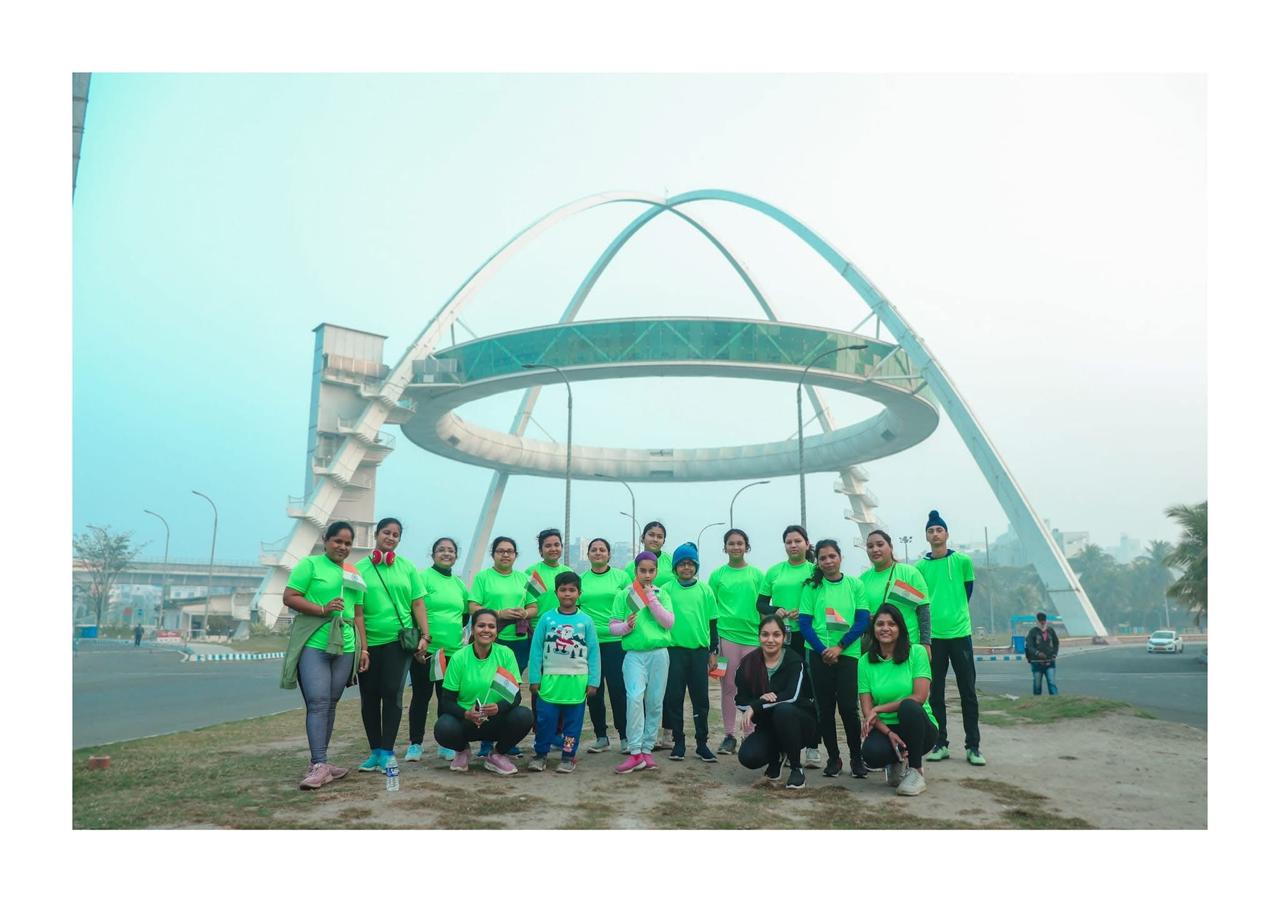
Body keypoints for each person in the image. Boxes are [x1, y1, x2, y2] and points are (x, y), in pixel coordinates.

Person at [280, 521, 367, 790]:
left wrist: (364, 649)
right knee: (317, 702)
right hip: (315, 644)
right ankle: (319, 764)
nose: (343, 547)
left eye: (348, 543)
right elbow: (289, 597)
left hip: (346, 647)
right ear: (325, 540)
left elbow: (358, 614)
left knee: (330, 704)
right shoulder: (310, 565)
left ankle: (322, 762)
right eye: (337, 541)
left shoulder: (353, 573)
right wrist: (322, 609)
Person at [354, 517, 429, 774]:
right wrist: (363, 648)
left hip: (398, 642)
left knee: (392, 693)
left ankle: (387, 751)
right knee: (369, 696)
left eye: (396, 535)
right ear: (376, 534)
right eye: (386, 532)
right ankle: (375, 751)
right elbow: (357, 611)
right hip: (369, 643)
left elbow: (418, 603)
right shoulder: (359, 568)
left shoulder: (407, 568)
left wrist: (426, 636)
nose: (391, 538)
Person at [797, 538, 871, 778]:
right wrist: (822, 651)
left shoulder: (855, 585)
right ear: (817, 562)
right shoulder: (811, 587)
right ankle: (834, 758)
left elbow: (862, 621)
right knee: (825, 709)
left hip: (848, 654)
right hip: (818, 655)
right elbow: (805, 624)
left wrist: (839, 647)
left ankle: (857, 758)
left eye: (832, 556)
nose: (828, 561)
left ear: (840, 557)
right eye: (823, 558)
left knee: (849, 708)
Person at [916, 510, 984, 766]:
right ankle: (940, 743)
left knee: (968, 692)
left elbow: (967, 591)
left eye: (939, 530)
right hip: (933, 638)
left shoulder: (962, 561)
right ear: (926, 536)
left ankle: (973, 746)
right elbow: (920, 602)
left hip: (960, 635)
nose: (935, 534)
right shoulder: (920, 567)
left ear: (946, 534)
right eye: (931, 531)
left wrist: (954, 614)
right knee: (935, 694)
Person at [433, 608, 535, 775]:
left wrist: (498, 708)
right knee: (443, 727)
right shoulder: (459, 657)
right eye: (481, 626)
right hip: (467, 720)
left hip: (496, 719)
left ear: (496, 631)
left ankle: (496, 755)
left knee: (524, 715)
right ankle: (462, 751)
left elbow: (515, 697)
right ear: (473, 629)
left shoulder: (506, 654)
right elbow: (447, 701)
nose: (486, 630)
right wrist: (466, 713)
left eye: (491, 626)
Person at [858, 604, 939, 797]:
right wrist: (888, 732)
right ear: (873, 629)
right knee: (870, 753)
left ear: (900, 628)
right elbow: (867, 710)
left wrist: (879, 708)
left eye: (891, 624)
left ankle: (916, 771)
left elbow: (919, 696)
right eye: (880, 624)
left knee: (909, 706)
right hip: (888, 728)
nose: (885, 628)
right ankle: (895, 761)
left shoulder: (917, 652)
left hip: (919, 726)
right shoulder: (864, 662)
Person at [757, 524, 821, 767]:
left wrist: (805, 612)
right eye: (789, 542)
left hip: (810, 636)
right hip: (782, 639)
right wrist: (776, 610)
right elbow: (761, 604)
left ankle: (813, 746)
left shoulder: (816, 570)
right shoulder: (774, 571)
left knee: (811, 691)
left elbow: (823, 599)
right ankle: (785, 745)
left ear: (807, 544)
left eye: (797, 541)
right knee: (784, 690)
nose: (793, 545)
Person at [468, 536, 536, 757]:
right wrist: (499, 613)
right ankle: (486, 740)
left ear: (515, 555)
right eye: (501, 551)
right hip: (491, 640)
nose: (505, 554)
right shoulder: (483, 577)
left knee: (510, 690)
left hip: (519, 642)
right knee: (490, 689)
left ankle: (508, 739)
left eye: (510, 551)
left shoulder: (524, 578)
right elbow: (472, 607)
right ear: (493, 554)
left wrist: (524, 612)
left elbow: (533, 607)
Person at [527, 572, 601, 773]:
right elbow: (536, 650)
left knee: (572, 725)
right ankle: (540, 754)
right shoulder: (546, 618)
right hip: (550, 681)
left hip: (577, 683)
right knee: (545, 721)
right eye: (563, 590)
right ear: (556, 592)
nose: (567, 594)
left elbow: (594, 652)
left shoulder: (586, 621)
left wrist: (593, 681)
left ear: (579, 593)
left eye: (572, 590)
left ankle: (568, 756)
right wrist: (534, 678)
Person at [735, 614, 818, 790]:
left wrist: (756, 705)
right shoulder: (748, 663)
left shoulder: (794, 661)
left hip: (801, 724)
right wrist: (756, 702)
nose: (770, 640)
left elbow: (792, 696)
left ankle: (796, 768)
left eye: (776, 634)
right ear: (759, 636)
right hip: (768, 727)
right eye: (765, 634)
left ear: (784, 637)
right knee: (748, 756)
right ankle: (777, 757)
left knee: (784, 710)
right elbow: (740, 700)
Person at [610, 551, 675, 773]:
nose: (647, 575)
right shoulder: (624, 596)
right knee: (635, 698)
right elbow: (613, 627)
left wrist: (652, 599)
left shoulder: (662, 594)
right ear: (635, 571)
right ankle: (635, 751)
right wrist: (626, 626)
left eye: (651, 571)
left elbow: (668, 622)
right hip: (634, 655)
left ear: (656, 571)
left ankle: (647, 750)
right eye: (643, 570)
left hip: (659, 653)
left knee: (655, 702)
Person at [407, 537, 468, 763]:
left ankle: (446, 743)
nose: (446, 553)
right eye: (441, 550)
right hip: (426, 650)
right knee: (421, 697)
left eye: (451, 550)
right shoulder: (422, 577)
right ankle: (415, 744)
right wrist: (420, 641)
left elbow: (464, 617)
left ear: (456, 556)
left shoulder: (459, 585)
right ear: (433, 554)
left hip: (452, 653)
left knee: (446, 700)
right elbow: (414, 609)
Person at [708, 529, 765, 756]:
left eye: (740, 543)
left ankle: (750, 734)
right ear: (725, 547)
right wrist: (712, 647)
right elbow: (711, 613)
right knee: (729, 687)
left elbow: (763, 607)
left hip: (752, 639)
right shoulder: (717, 575)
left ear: (746, 546)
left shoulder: (757, 575)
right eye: (731, 543)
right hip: (725, 638)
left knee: (753, 687)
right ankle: (729, 735)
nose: (735, 547)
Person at [661, 542, 719, 762]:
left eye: (690, 563)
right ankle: (678, 742)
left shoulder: (705, 590)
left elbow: (713, 623)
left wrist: (713, 651)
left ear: (696, 566)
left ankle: (702, 743)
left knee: (700, 699)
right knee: (674, 698)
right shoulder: (666, 589)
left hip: (698, 652)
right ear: (675, 568)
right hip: (674, 652)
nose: (686, 567)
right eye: (682, 564)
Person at [579, 538, 631, 753]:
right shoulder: (581, 579)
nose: (598, 553)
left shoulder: (622, 577)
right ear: (588, 554)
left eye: (602, 550)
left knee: (619, 691)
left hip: (617, 643)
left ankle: (625, 736)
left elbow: (632, 604)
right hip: (590, 645)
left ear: (609, 554)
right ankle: (601, 736)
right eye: (594, 550)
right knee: (593, 692)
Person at [858, 530, 931, 653]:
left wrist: (926, 644)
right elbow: (859, 616)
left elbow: (923, 611)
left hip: (907, 646)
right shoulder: (862, 580)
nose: (875, 549)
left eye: (880, 544)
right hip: (876, 648)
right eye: (870, 546)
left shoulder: (909, 573)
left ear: (891, 547)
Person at [625, 521, 676, 588]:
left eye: (659, 537)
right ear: (643, 537)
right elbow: (628, 592)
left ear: (664, 541)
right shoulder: (630, 567)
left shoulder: (673, 562)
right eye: (651, 535)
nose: (655, 539)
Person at [1026, 611, 1060, 695]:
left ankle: (1055, 700)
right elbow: (1029, 646)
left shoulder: (1050, 630)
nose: (1042, 623)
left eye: (1044, 620)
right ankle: (1037, 701)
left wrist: (1054, 654)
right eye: (1040, 621)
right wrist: (1037, 653)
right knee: (1037, 685)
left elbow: (1056, 643)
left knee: (1052, 683)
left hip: (1050, 662)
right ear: (1037, 621)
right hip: (1037, 663)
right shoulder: (1032, 632)